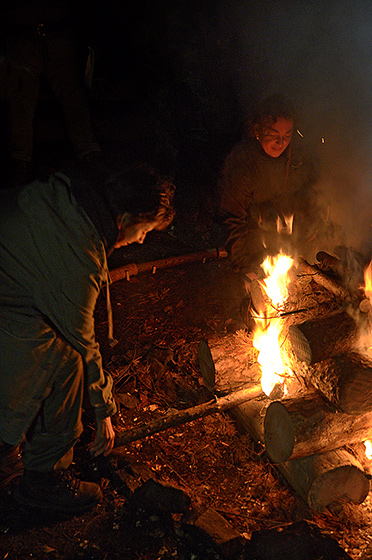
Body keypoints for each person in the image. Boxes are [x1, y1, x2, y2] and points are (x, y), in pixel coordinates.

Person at [0, 164, 175, 514]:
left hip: (10, 287)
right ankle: (42, 482)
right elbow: (84, 342)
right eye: (144, 230)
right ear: (125, 218)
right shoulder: (78, 254)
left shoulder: (69, 198)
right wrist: (105, 412)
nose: (142, 240)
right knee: (68, 362)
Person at [219, 94, 323, 279]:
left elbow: (313, 188)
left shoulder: (296, 156)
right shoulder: (243, 163)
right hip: (252, 234)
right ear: (257, 130)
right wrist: (245, 268)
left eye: (287, 135)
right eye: (273, 134)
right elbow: (232, 218)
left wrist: (314, 220)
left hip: (283, 230)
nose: (280, 143)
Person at [3, 0, 101, 186]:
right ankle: (20, 160)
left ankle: (88, 152)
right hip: (22, 34)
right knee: (21, 101)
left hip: (58, 32)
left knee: (72, 95)